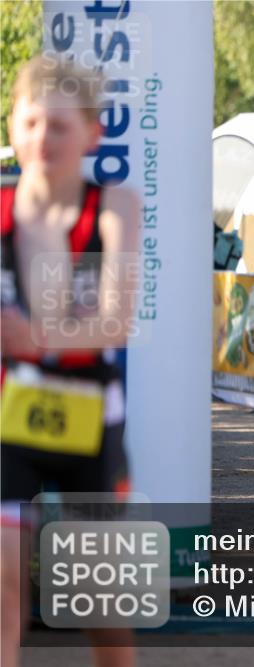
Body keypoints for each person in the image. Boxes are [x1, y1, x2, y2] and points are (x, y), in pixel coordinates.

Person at [1, 56, 140, 667]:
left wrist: (37, 338)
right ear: (11, 127)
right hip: (9, 423)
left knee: (98, 606)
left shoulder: (113, 207)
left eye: (59, 126)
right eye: (30, 123)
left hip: (90, 425)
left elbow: (116, 320)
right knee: (3, 591)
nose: (41, 138)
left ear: (92, 134)